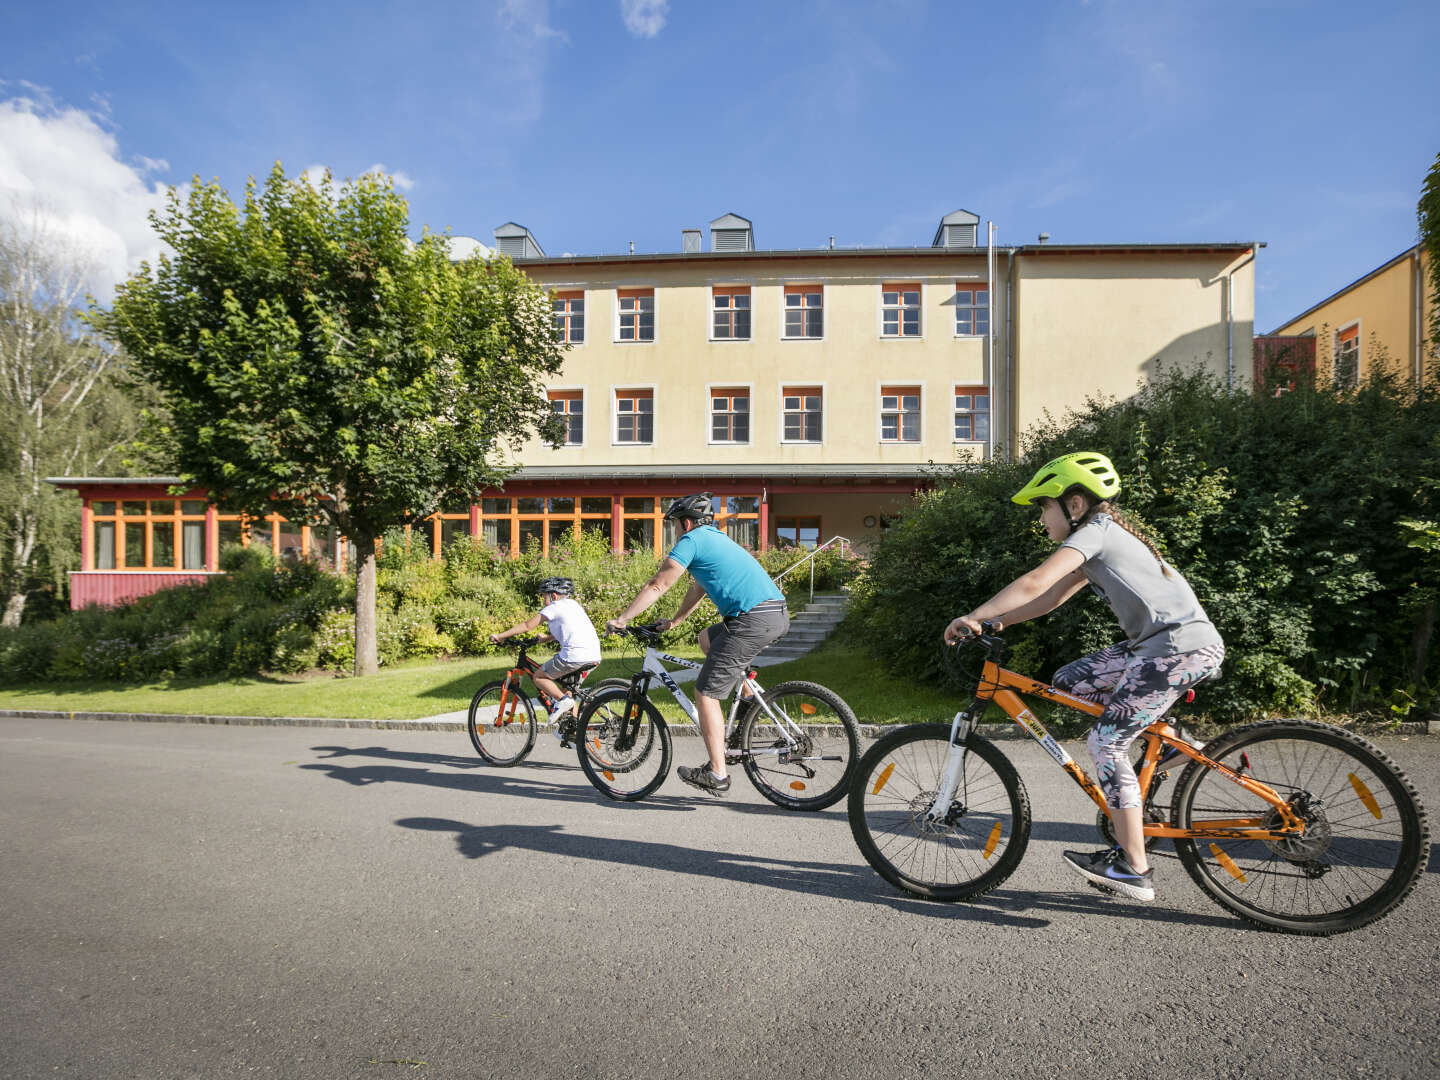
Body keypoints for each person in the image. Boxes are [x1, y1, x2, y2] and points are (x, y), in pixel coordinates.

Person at [943, 451, 1224, 902]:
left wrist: (972, 615)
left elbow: (1035, 581)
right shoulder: (1099, 538)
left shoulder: (1096, 532)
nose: (1040, 520)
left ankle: (1134, 867)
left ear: (1074, 505)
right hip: (1155, 647)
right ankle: (1175, 743)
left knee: (1105, 742)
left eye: (1043, 508)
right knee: (1070, 680)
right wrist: (998, 623)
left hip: (1175, 649)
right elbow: (1050, 597)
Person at [606, 493, 789, 797]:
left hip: (751, 620)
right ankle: (747, 701)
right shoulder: (716, 539)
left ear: (686, 522)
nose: (675, 531)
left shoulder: (691, 540)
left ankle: (717, 773)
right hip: (772, 614)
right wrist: (676, 621)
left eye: (675, 525)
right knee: (708, 638)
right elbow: (698, 587)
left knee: (705, 693)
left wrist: (623, 618)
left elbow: (658, 584)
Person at [490, 577, 602, 735]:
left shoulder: (554, 607)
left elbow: (527, 625)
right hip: (593, 655)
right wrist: (546, 638)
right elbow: (570, 630)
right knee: (566, 690)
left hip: (573, 656)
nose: (543, 600)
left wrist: (501, 636)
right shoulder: (574, 605)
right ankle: (573, 731)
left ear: (554, 596)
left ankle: (564, 701)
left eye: (544, 596)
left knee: (539, 677)